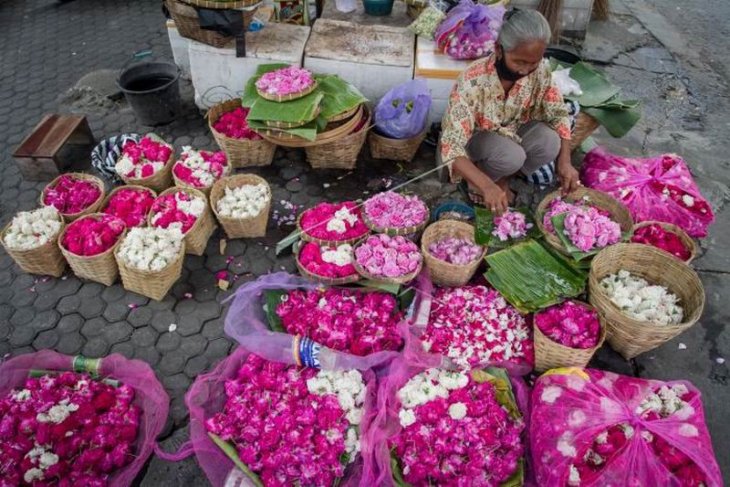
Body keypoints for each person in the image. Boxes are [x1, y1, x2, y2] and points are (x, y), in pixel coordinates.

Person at [439, 9, 581, 214]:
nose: (525, 70)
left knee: (550, 142)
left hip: (512, 132)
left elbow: (558, 113)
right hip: (477, 141)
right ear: (499, 49)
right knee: (511, 156)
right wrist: (487, 187)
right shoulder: (473, 81)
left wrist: (565, 162)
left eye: (533, 62)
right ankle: (479, 179)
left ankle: (503, 179)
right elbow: (452, 146)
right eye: (519, 62)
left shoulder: (539, 71)